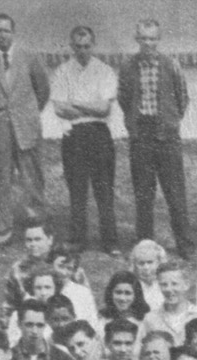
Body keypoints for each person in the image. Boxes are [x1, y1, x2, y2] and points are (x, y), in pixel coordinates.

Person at [0, 14, 54, 245]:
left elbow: (43, 91)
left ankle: (35, 225)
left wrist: (26, 113)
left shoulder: (30, 58)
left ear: (13, 32)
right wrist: (1, 112)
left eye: (6, 30)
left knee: (32, 178)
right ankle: (4, 227)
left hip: (27, 127)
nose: (2, 35)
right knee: (2, 179)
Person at [116, 18, 191, 250]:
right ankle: (145, 244)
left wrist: (170, 122)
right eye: (144, 38)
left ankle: (185, 244)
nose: (148, 43)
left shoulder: (171, 64)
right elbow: (124, 98)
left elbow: (182, 97)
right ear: (137, 39)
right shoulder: (128, 66)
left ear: (158, 40)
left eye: (152, 38)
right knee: (143, 196)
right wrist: (134, 123)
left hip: (167, 137)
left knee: (175, 194)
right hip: (141, 136)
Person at [48, 23, 118, 250]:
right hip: (74, 135)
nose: (83, 50)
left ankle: (110, 241)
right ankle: (78, 239)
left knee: (104, 190)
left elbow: (103, 109)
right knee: (77, 190)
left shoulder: (105, 70)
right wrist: (89, 106)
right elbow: (59, 108)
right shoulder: (62, 71)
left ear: (93, 45)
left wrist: (75, 103)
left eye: (87, 46)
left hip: (99, 134)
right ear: (71, 46)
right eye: (78, 46)